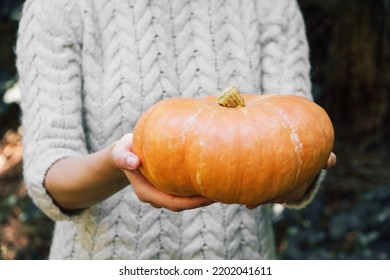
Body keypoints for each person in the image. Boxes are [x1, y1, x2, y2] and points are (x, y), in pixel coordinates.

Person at [16, 0, 336, 259]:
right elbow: (52, 179)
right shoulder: (57, 7)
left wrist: (299, 173)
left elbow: (297, 133)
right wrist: (122, 164)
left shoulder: (271, 6)